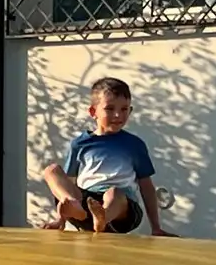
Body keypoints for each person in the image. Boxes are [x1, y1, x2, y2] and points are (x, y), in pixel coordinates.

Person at [41, 77, 173, 236]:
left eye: (124, 109)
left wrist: (156, 227)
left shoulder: (134, 145)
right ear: (93, 112)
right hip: (87, 205)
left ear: (130, 111)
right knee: (52, 170)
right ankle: (81, 213)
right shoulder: (79, 144)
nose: (118, 115)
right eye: (110, 109)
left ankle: (103, 216)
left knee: (113, 193)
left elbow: (147, 187)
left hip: (123, 211)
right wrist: (60, 219)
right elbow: (68, 185)